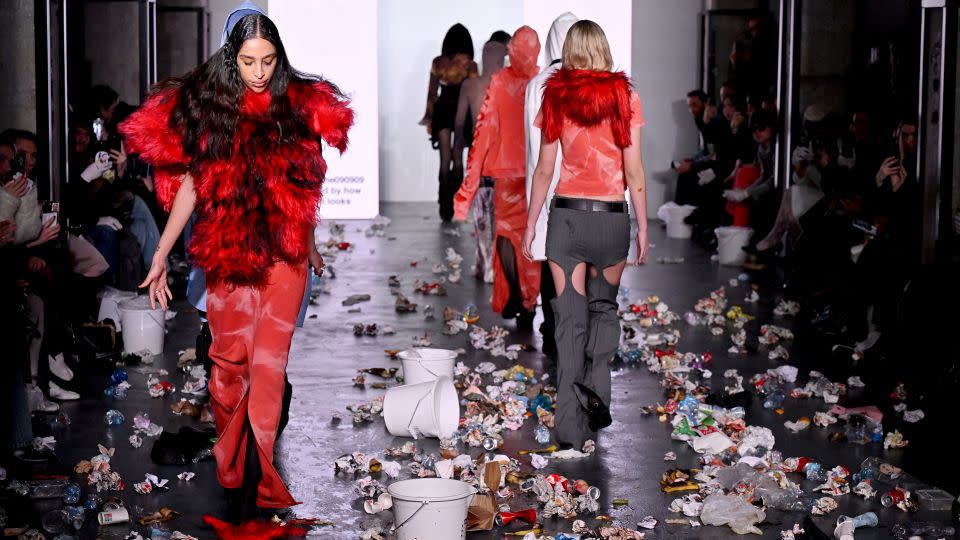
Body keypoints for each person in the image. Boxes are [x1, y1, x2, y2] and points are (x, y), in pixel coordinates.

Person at [120, 13, 353, 519]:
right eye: (248, 61)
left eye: (268, 60)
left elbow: (304, 182)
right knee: (227, 371)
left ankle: (260, 485)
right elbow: (191, 184)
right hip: (228, 255)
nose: (259, 71)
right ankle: (235, 471)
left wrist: (309, 242)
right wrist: (160, 254)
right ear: (232, 59)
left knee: (268, 372)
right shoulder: (213, 111)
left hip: (283, 258)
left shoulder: (296, 109)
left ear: (280, 57)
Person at [523, 20, 648, 449]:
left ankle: (570, 429)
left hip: (568, 219)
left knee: (569, 321)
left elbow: (544, 169)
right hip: (613, 218)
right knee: (603, 310)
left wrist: (530, 224)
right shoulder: (625, 97)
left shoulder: (555, 95)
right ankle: (598, 400)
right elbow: (634, 172)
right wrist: (644, 227)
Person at [454, 27, 541, 330]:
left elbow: (483, 131)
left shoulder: (501, 82)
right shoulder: (541, 80)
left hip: (506, 171)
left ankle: (518, 294)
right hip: (536, 173)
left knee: (506, 235)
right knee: (531, 237)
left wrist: (467, 189)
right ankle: (528, 302)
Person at [525, 12, 579, 361]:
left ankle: (551, 333)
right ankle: (574, 337)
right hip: (580, 187)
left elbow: (532, 144)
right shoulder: (586, 81)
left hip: (542, 180)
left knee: (549, 261)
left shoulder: (537, 84)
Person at [455, 38, 507, 283]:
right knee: (496, 216)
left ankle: (484, 263)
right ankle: (490, 265)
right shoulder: (509, 85)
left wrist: (456, 156)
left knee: (484, 214)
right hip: (501, 161)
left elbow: (459, 124)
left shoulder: (471, 85)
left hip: (483, 160)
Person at [420, 23, 478, 221]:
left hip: (443, 111)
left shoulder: (438, 62)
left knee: (444, 160)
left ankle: (445, 208)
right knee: (457, 159)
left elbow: (431, 93)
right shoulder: (470, 65)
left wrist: (429, 119)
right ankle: (456, 203)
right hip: (462, 112)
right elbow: (474, 94)